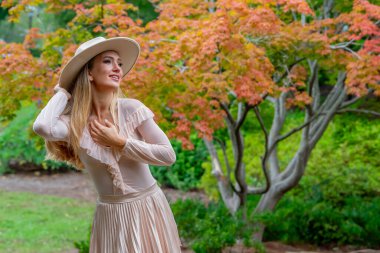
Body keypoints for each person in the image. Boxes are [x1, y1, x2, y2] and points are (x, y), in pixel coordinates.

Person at [32, 37, 182, 252]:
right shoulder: (75, 123)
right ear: (89, 73)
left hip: (148, 207)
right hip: (110, 215)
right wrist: (63, 92)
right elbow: (43, 127)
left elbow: (168, 155)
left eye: (119, 63)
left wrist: (120, 142)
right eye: (108, 61)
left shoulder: (132, 109)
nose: (117, 68)